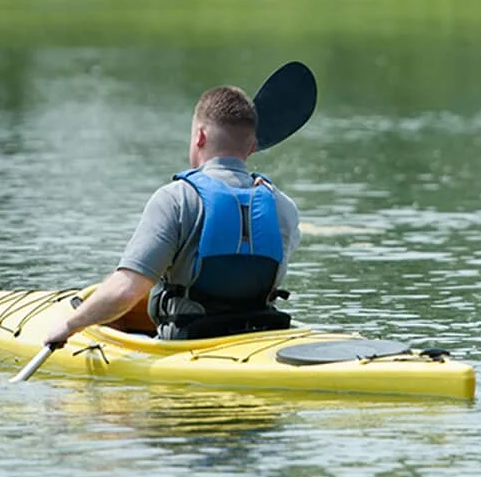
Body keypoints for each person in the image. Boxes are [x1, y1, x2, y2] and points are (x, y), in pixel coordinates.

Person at [45, 84, 301, 346]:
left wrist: (68, 326)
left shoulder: (176, 198)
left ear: (200, 136)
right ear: (252, 147)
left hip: (188, 343)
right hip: (260, 340)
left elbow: (126, 290)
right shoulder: (284, 207)